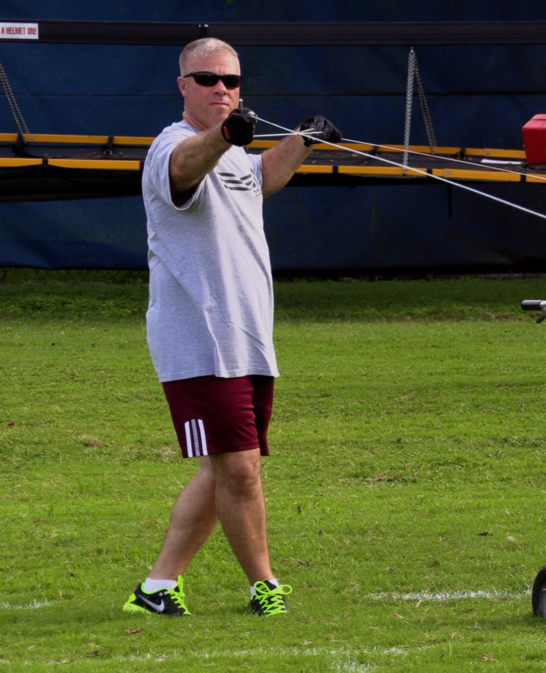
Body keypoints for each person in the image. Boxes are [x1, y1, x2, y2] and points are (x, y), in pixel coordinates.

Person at [122, 37, 340, 617]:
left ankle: (158, 587)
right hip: (198, 342)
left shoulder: (236, 155)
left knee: (226, 465)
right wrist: (223, 136)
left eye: (232, 80)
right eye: (209, 79)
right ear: (183, 86)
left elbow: (261, 175)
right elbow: (187, 167)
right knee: (238, 468)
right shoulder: (171, 147)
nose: (223, 88)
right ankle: (264, 586)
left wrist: (303, 140)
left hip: (247, 339)